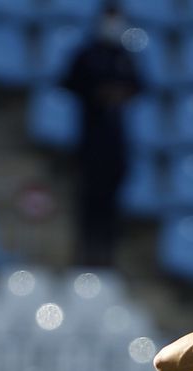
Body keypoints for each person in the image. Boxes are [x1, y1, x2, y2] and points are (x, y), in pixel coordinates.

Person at [60, 3, 144, 267]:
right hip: (89, 141)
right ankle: (84, 254)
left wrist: (119, 94)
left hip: (116, 143)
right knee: (87, 201)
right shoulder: (87, 54)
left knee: (112, 203)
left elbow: (140, 85)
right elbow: (69, 82)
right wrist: (98, 93)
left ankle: (108, 256)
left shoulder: (125, 55)